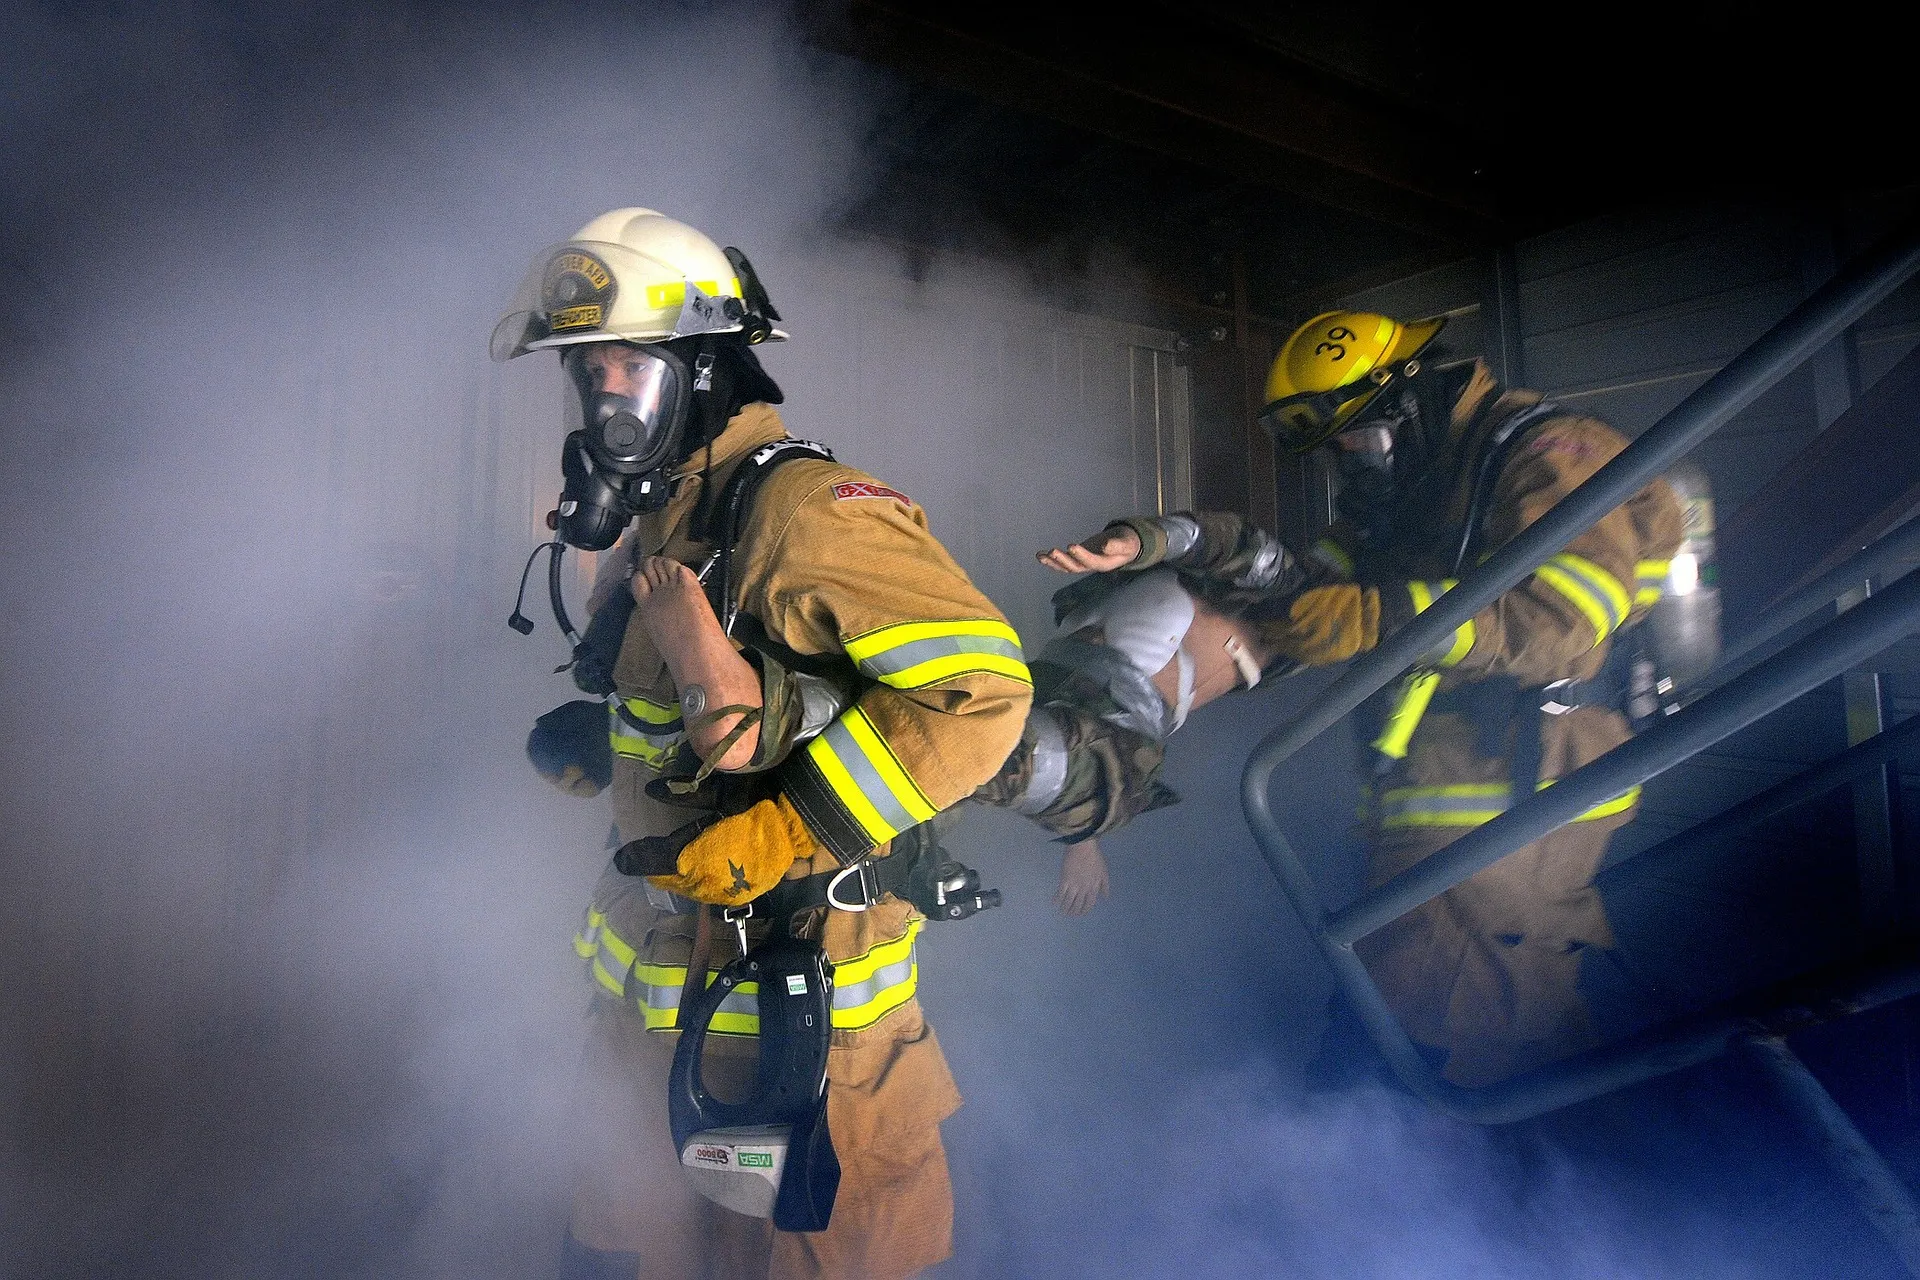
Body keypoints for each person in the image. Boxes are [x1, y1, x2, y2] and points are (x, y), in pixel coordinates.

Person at [498, 208, 1032, 1279]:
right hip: (664, 1007)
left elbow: (980, 695)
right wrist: (614, 753)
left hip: (811, 1017)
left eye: (626, 372)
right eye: (588, 377)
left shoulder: (806, 510)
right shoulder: (670, 525)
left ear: (702, 373)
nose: (604, 403)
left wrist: (802, 820)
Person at [1052, 312, 1684, 1088]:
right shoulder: (1406, 492)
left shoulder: (1555, 452)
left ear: (1409, 398)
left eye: (1359, 437)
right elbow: (1298, 598)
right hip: (1438, 775)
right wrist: (1164, 552)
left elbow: (1561, 624)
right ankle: (1473, 1156)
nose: (1351, 461)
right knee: (1442, 995)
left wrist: (1371, 617)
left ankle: (1479, 1175)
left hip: (1523, 771)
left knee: (1461, 1015)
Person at [970, 513, 1306, 914]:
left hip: (1078, 707)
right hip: (1082, 698)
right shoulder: (1284, 582)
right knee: (966, 750)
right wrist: (1139, 541)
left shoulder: (1285, 653)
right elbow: (1208, 539)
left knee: (968, 757)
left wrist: (1083, 836)